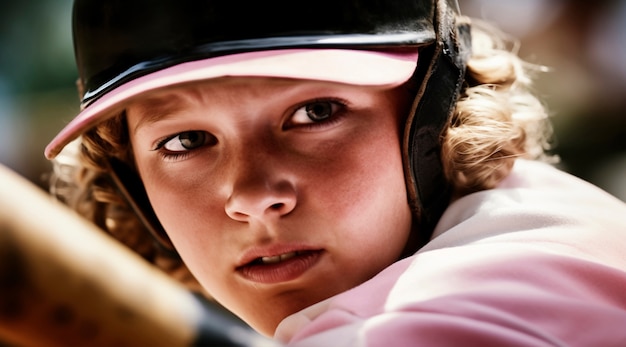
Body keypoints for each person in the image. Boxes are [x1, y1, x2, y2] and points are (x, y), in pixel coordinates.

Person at [46, 0, 626, 345]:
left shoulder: (458, 307)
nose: (252, 195)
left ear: (436, 111)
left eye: (315, 113)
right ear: (132, 184)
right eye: (185, 141)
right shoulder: (536, 219)